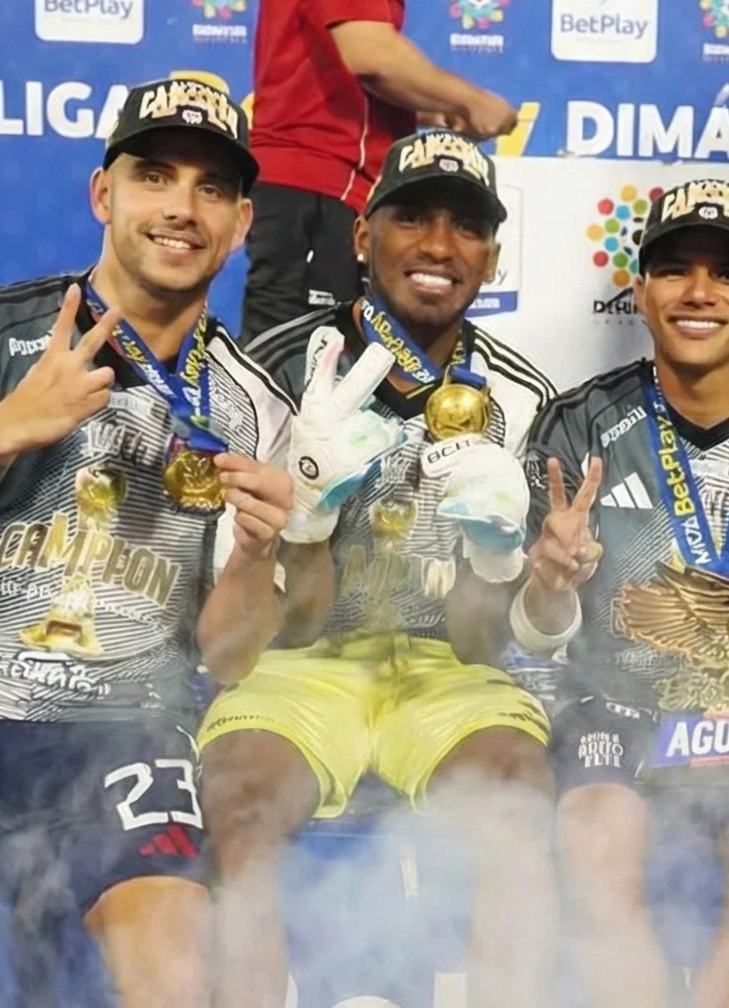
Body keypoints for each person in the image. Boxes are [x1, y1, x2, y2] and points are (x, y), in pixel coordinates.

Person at [0, 78, 303, 1008]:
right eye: (154, 175)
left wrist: (255, 556)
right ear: (103, 194)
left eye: (210, 188)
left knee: (179, 983)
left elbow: (232, 660)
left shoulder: (256, 406)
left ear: (241, 223)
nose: (181, 207)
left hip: (126, 738)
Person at [202, 130, 559, 1008]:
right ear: (363, 237)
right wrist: (309, 519)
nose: (439, 245)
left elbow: (480, 643)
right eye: (412, 218)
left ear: (492, 257)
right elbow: (271, 630)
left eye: (466, 227)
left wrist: (497, 552)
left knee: (516, 795)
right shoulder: (269, 370)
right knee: (241, 799)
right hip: (296, 663)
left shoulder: (523, 397)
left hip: (446, 673)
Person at [516, 178, 729, 1008]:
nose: (700, 292)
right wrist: (550, 583)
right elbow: (535, 633)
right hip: (615, 704)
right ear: (641, 292)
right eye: (675, 270)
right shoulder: (574, 428)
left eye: (728, 274)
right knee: (595, 842)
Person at [243, 0, 520, 337]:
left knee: (321, 349)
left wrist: (437, 112)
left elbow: (332, 80)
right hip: (320, 180)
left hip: (318, 181)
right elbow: (370, 56)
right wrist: (475, 101)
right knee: (298, 352)